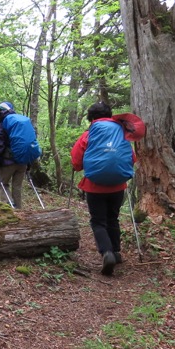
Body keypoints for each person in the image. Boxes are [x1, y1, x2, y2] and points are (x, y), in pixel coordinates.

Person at [70, 102, 136, 276]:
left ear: (91, 118)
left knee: (98, 221)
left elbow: (76, 160)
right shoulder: (122, 132)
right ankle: (116, 252)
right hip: (118, 185)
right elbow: (132, 157)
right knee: (113, 218)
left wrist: (77, 167)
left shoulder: (88, 134)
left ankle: (107, 253)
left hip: (94, 186)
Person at [0, 101, 28, 208]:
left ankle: (8, 210)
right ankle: (19, 212)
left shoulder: (2, 124)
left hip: (8, 161)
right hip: (23, 161)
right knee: (17, 187)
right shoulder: (20, 123)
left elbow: (0, 146)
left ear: (2, 111)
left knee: (2, 185)